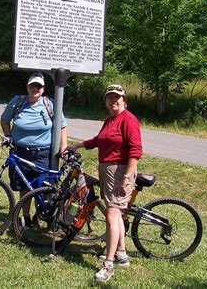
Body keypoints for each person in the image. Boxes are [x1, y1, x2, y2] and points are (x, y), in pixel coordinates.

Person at [67, 84, 142, 283]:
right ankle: (122, 254)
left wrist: (126, 178)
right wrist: (77, 145)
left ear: (124, 100)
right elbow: (98, 140)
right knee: (115, 213)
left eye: (117, 97)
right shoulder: (110, 120)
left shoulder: (129, 120)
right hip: (108, 172)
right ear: (106, 101)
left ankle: (108, 265)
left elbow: (135, 151)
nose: (113, 100)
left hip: (120, 173)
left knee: (112, 214)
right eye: (110, 97)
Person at [0, 72, 68, 226]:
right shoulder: (17, 101)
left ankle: (39, 217)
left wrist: (63, 146)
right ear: (27, 86)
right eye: (33, 85)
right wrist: (8, 135)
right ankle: (25, 216)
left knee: (41, 187)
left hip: (42, 154)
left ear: (43, 89)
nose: (35, 88)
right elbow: (4, 119)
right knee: (24, 185)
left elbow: (62, 126)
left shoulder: (50, 104)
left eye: (39, 86)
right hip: (20, 151)